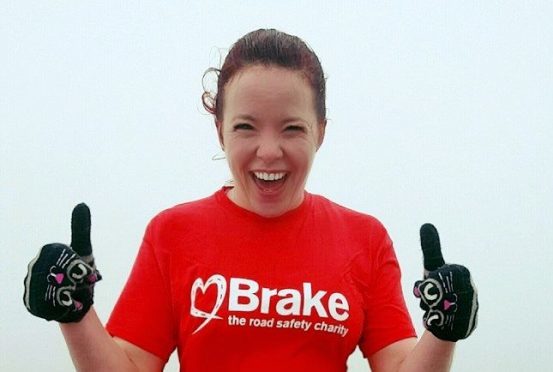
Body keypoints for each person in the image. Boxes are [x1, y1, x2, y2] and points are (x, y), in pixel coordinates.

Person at [23, 29, 478, 372]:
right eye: (245, 127)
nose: (268, 151)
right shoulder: (173, 233)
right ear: (219, 128)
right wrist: (76, 315)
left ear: (321, 130)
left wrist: (442, 333)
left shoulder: (365, 238)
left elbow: (399, 365)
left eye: (292, 128)